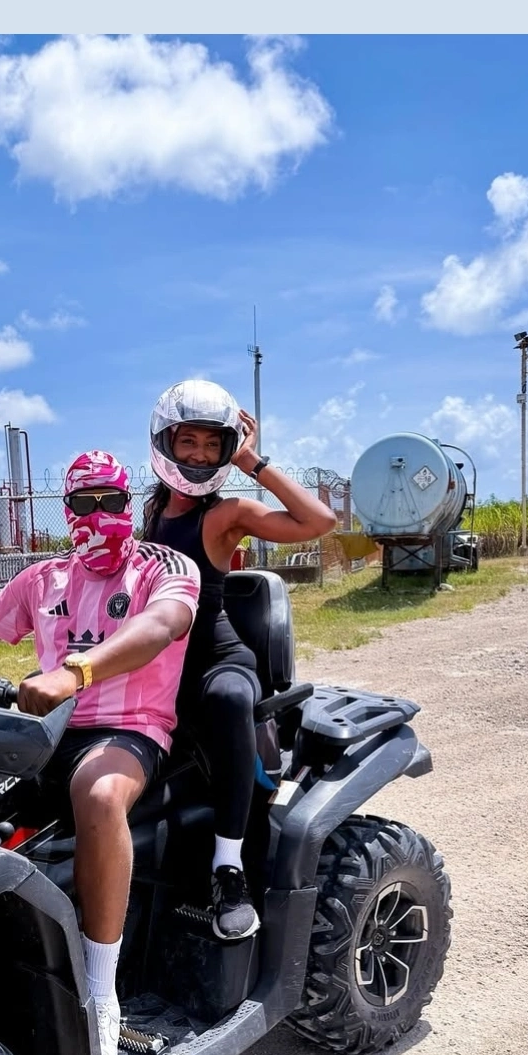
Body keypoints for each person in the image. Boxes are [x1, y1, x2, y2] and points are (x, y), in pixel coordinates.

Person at [0, 450, 200, 1055]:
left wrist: (75, 672)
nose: (101, 516)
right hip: (43, 732)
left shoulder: (162, 567)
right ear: (68, 511)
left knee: (96, 795)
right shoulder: (42, 580)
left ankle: (101, 988)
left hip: (128, 729)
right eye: (85, 504)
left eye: (112, 503)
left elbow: (162, 626)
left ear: (129, 502)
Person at [143, 379, 337, 941]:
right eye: (189, 443)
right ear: (166, 442)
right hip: (162, 660)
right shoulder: (152, 512)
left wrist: (256, 463)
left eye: (212, 445)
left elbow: (318, 523)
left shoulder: (227, 513)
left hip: (215, 656)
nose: (200, 456)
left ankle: (228, 868)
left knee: (230, 699)